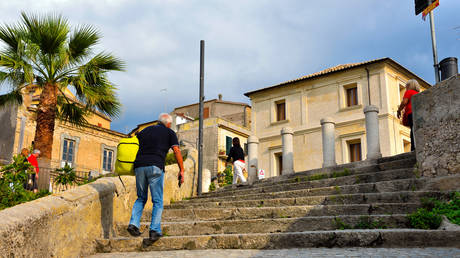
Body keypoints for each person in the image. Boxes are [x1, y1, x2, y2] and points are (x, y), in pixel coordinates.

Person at [127, 113, 184, 245]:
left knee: (141, 197)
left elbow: (133, 142)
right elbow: (176, 151)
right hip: (155, 167)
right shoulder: (170, 132)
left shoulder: (145, 130)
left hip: (139, 166)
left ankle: (133, 224)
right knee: (157, 200)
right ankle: (154, 230)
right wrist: (182, 169)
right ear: (168, 123)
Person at [397, 79, 420, 152]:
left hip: (411, 113)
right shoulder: (417, 93)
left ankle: (413, 148)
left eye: (406, 86)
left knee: (412, 130)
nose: (406, 87)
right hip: (418, 113)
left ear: (409, 86)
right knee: (416, 129)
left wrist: (399, 110)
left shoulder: (409, 92)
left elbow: (404, 102)